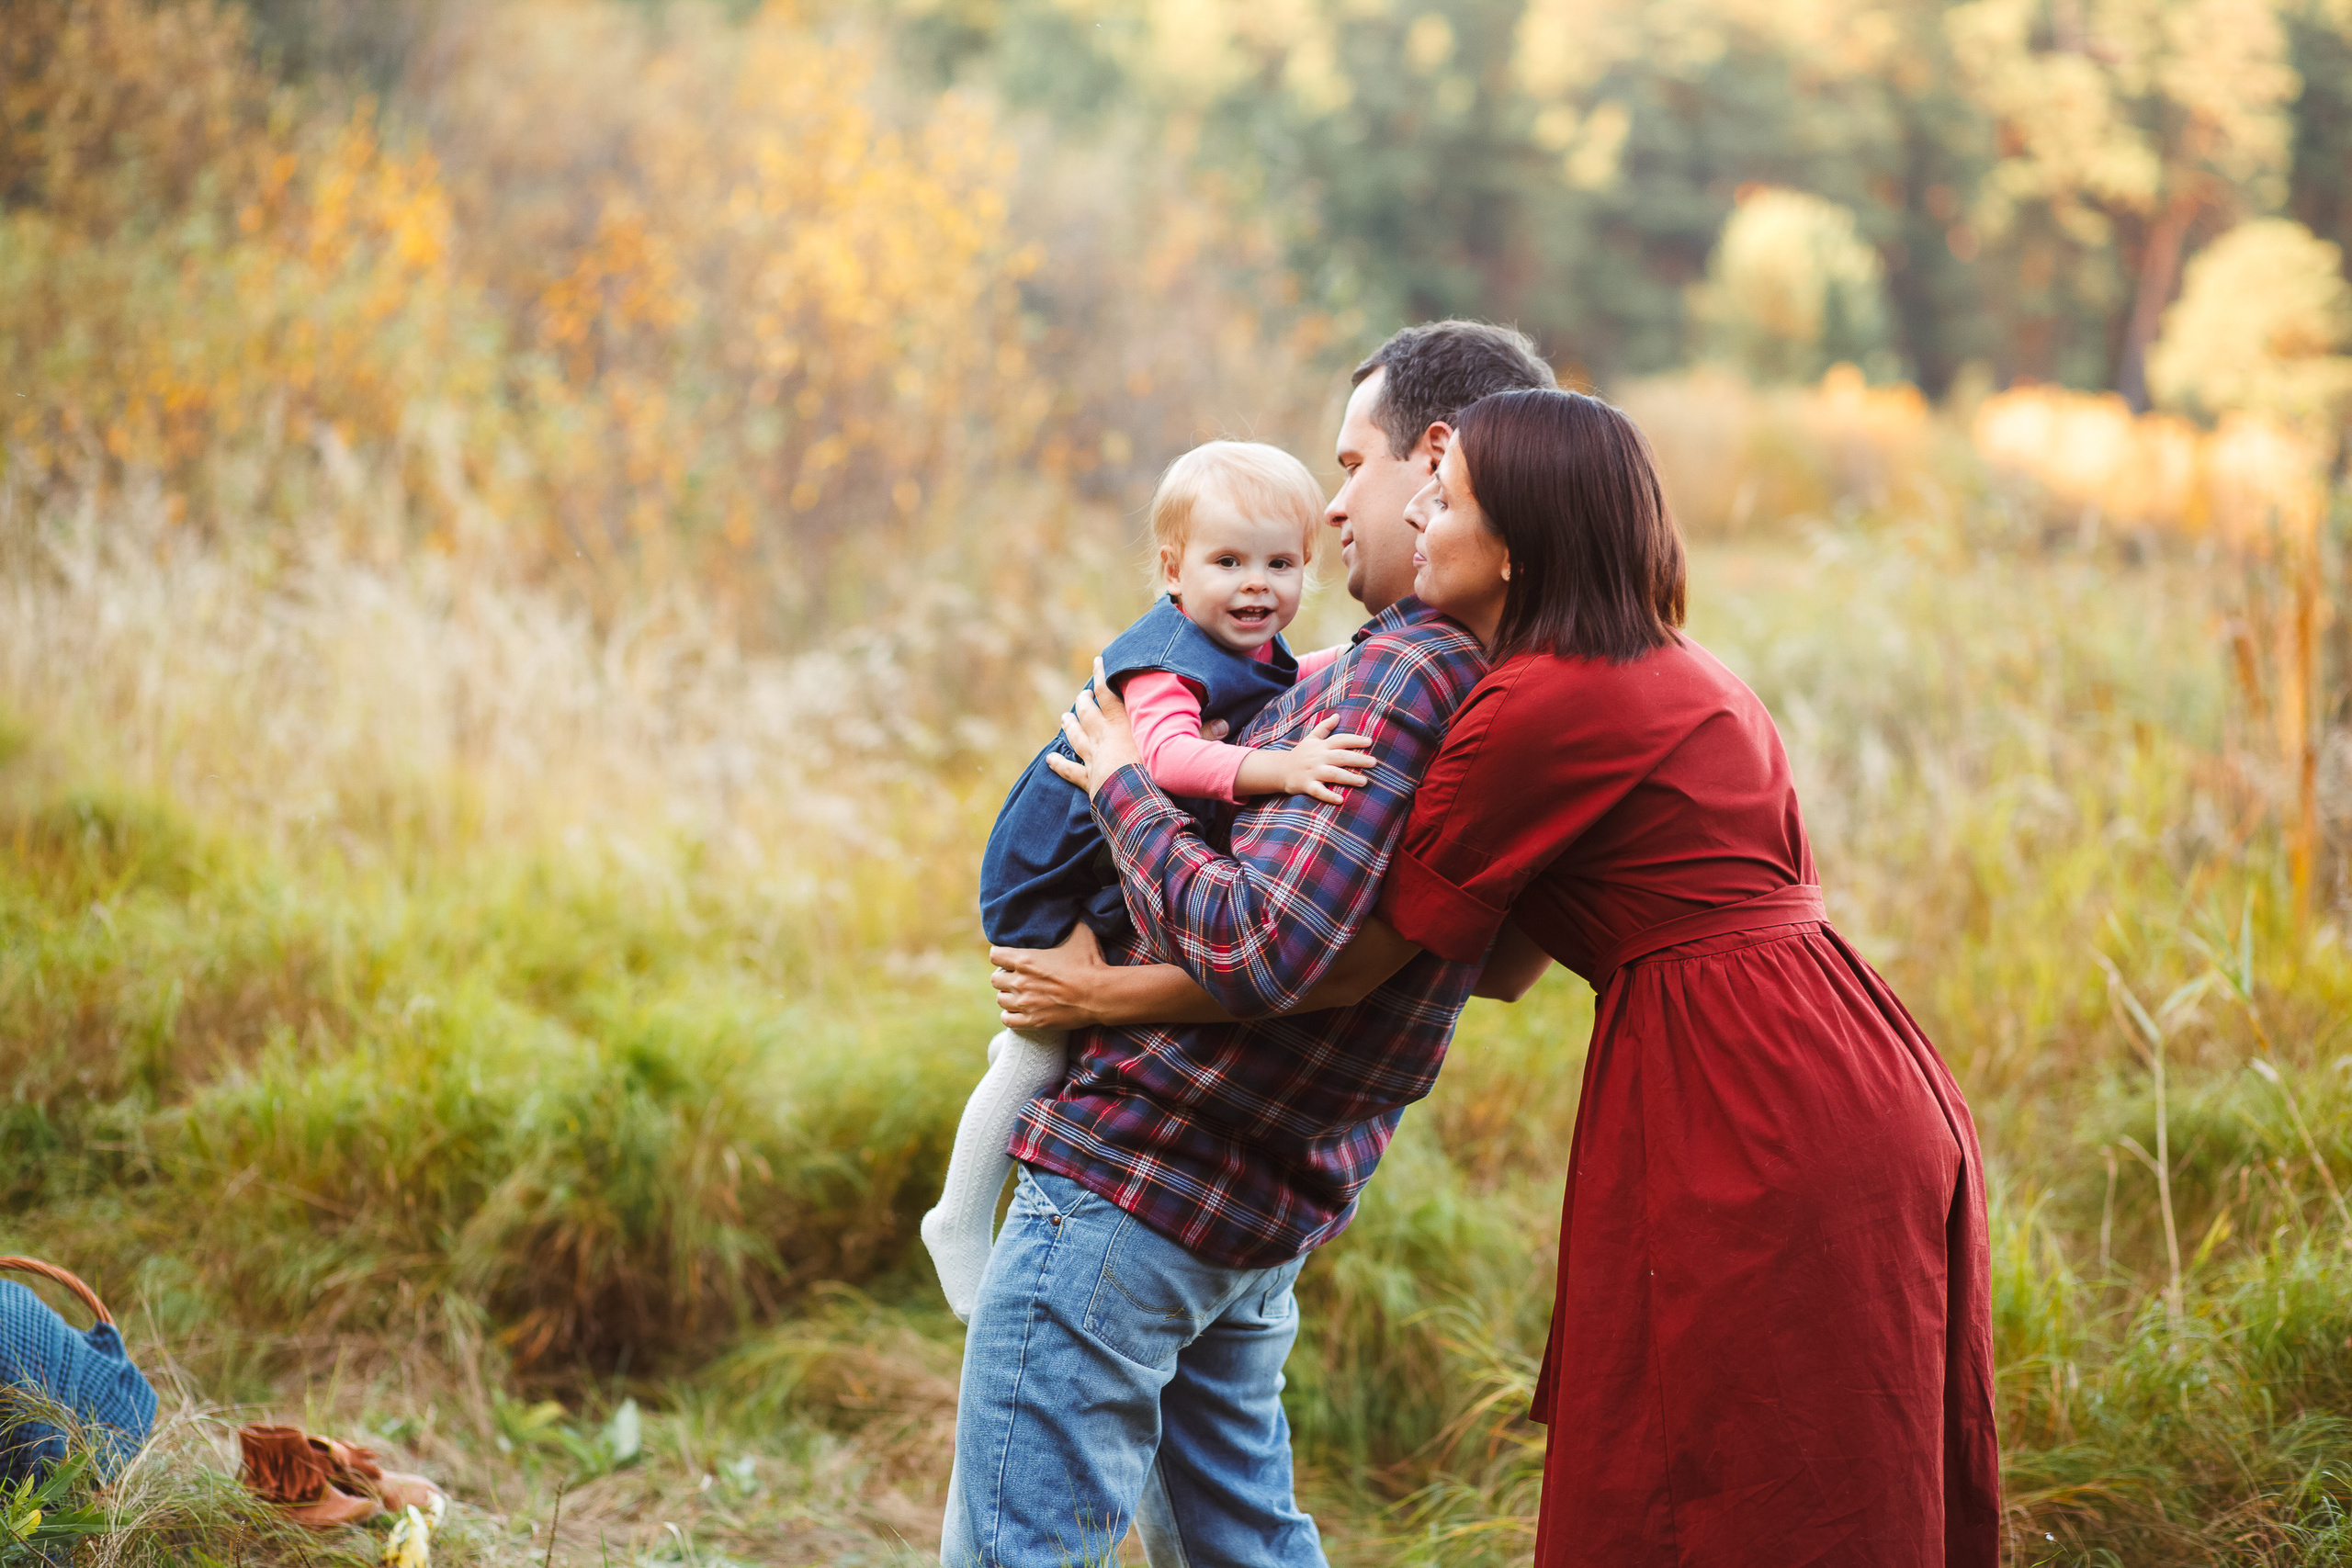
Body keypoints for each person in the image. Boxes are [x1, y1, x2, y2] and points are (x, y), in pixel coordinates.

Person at [1038, 388, 2002, 1565]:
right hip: (1853, 1055)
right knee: (1817, 1456)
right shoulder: (1672, 668)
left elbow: (1325, 959)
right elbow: (1497, 964)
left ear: (1518, 546)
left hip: (1749, 1094)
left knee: (1728, 1460)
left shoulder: (1532, 709)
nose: (1416, 519)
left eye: (1445, 502)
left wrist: (1121, 868)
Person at [944, 321, 1557, 1568]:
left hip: (1143, 1175)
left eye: (1351, 464)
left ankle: (954, 1211)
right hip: (1268, 1193)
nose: (1333, 507)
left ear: (1438, 462)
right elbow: (1449, 961)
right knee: (1244, 1541)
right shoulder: (1509, 680)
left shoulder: (1405, 676)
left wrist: (1119, 784)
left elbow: (1262, 944)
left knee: (1017, 1547)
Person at [922, 440, 1378, 1322]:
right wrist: (1282, 768)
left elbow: (1284, 680)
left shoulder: (1246, 644)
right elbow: (1165, 755)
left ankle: (995, 1136)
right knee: (1037, 1047)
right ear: (1174, 570)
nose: (1257, 586)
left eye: (1281, 564)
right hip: (1046, 876)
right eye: (1229, 562)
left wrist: (1353, 663)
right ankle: (958, 1216)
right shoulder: (1167, 661)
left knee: (1043, 1045)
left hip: (1095, 870)